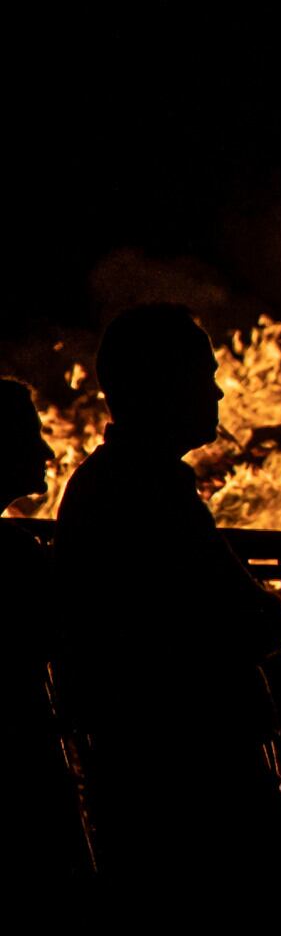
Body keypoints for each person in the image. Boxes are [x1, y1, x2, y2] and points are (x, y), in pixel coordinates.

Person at [49, 305, 281, 936]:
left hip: (148, 766)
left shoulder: (115, 484)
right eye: (206, 377)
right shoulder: (145, 492)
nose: (218, 397)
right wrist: (269, 612)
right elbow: (236, 617)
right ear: (164, 385)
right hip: (188, 774)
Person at [6, 380, 90, 894]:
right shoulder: (9, 558)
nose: (45, 450)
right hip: (19, 769)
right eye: (27, 435)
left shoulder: (17, 550)